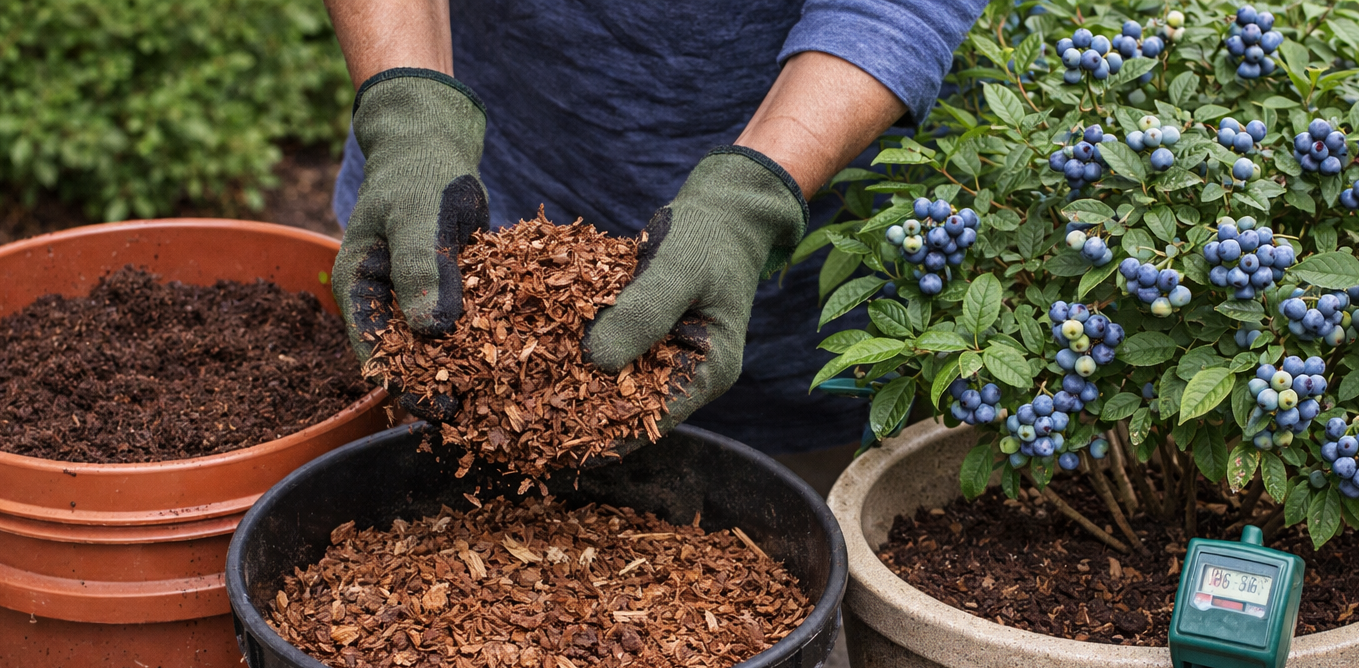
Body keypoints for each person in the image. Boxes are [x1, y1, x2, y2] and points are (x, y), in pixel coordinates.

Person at [327, 0, 985, 471]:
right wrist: (409, 115)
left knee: (788, 538)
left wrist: (753, 197)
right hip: (469, 194)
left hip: (815, 179)